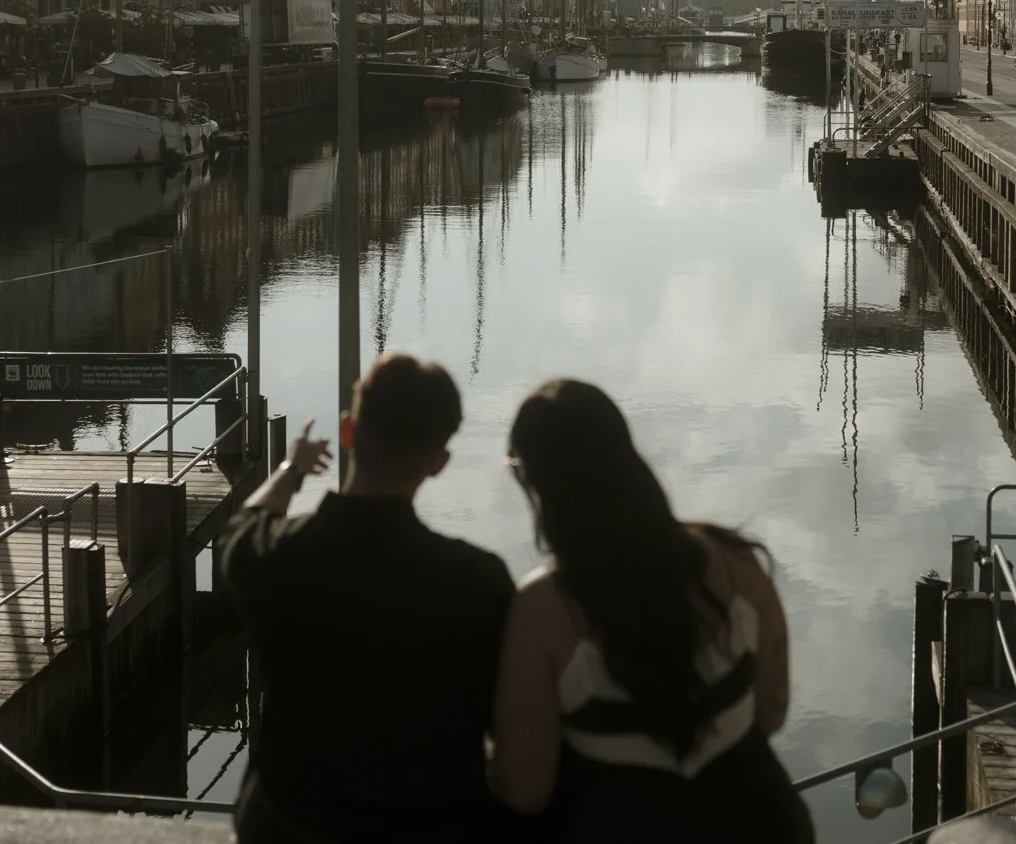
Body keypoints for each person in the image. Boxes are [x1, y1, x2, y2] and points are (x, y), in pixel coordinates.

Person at [491, 379, 813, 842]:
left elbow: (525, 789)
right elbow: (772, 711)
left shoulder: (544, 611)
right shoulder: (737, 563)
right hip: (764, 823)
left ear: (537, 483)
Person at [219, 352, 518, 843]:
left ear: (348, 431)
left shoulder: (273, 556)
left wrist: (293, 469)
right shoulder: (479, 582)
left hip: (287, 827)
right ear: (439, 463)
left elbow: (243, 525)